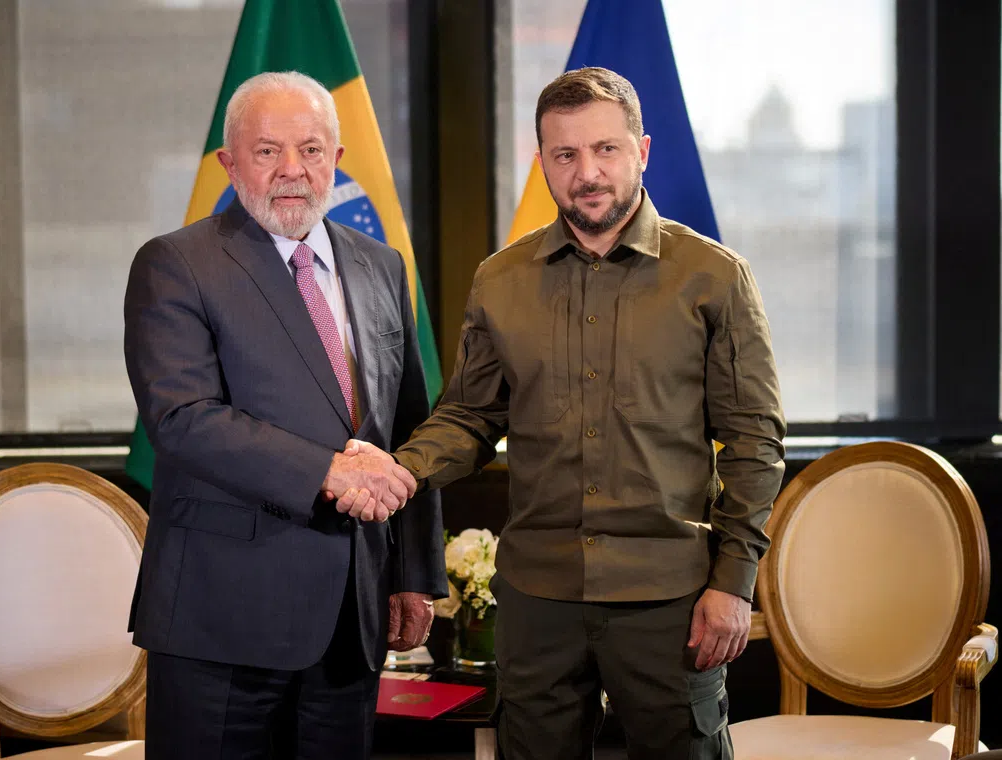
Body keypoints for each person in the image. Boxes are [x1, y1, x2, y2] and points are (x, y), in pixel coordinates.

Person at [343, 67, 786, 759]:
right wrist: (398, 471)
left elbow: (754, 443)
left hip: (668, 601)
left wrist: (733, 584)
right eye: (566, 154)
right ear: (543, 163)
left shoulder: (714, 278)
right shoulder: (500, 280)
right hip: (538, 599)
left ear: (641, 151)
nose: (588, 172)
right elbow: (467, 418)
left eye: (606, 150)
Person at [123, 70, 448, 760]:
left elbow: (409, 429)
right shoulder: (176, 264)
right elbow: (183, 418)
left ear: (337, 159)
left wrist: (414, 572)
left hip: (351, 621)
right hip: (222, 621)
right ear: (229, 163)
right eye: (268, 151)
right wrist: (328, 472)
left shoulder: (383, 266)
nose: (292, 170)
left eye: (311, 149)